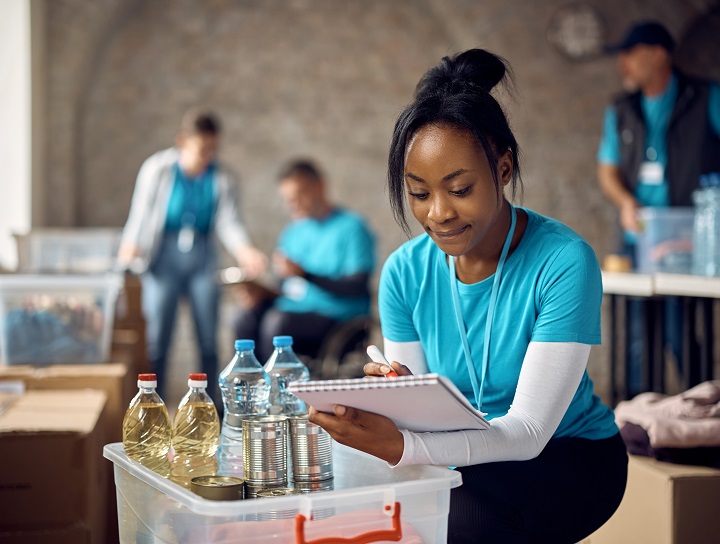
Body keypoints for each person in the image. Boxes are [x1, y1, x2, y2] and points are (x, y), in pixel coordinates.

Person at [308, 49, 627, 543]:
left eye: (459, 189)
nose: (439, 214)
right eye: (419, 193)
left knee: (460, 519)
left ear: (502, 168)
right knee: (380, 506)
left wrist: (405, 446)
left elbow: (527, 432)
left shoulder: (564, 261)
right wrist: (395, 396)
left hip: (568, 453)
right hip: (462, 452)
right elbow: (415, 419)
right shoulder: (403, 273)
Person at [596, 20, 720, 396]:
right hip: (639, 236)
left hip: (690, 237)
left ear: (659, 54)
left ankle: (701, 410)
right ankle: (637, 414)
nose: (624, 65)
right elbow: (607, 169)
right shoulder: (621, 109)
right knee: (636, 329)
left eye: (631, 55)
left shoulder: (705, 96)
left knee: (680, 326)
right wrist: (625, 201)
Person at [118, 109, 267, 402]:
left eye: (213, 149)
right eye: (202, 149)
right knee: (158, 336)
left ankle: (210, 404)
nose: (208, 156)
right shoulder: (157, 169)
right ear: (182, 142)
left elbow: (228, 220)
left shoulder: (223, 177)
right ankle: (152, 403)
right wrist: (131, 243)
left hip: (202, 256)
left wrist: (244, 250)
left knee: (208, 336)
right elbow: (141, 213)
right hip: (163, 256)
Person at [233, 159, 376, 363]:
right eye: (287, 198)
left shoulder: (352, 227)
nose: (293, 203)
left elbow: (356, 286)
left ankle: (273, 391)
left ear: (320, 186)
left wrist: (306, 274)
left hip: (338, 319)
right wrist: (260, 294)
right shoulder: (292, 233)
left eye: (299, 195)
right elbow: (286, 287)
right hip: (294, 310)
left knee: (277, 323)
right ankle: (248, 390)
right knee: (244, 318)